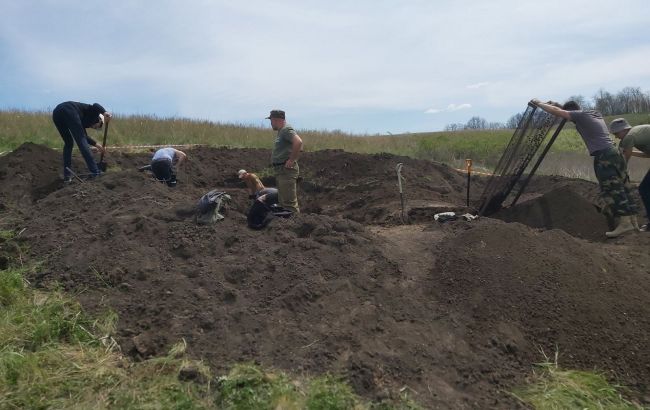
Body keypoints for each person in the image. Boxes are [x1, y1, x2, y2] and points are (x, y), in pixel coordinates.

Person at [531, 99, 638, 238]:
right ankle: (633, 221)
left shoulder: (579, 116)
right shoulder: (593, 114)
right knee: (624, 185)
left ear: (573, 112)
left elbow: (559, 112)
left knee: (612, 188)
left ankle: (625, 223)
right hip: (614, 153)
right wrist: (555, 103)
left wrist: (539, 103)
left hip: (604, 156)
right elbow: (563, 110)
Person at [52, 101, 111, 181]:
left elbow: (85, 136)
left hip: (57, 113)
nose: (95, 128)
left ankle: (67, 176)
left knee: (69, 143)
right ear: (100, 120)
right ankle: (95, 172)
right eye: (99, 126)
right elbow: (95, 105)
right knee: (82, 143)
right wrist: (105, 113)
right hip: (70, 109)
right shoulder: (94, 114)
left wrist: (97, 145)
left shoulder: (82, 122)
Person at [609, 118, 650, 231]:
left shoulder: (629, 137)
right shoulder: (638, 132)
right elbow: (647, 155)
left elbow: (624, 163)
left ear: (624, 130)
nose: (616, 137)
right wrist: (629, 152)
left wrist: (617, 177)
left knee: (644, 189)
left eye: (616, 133)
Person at [267, 109, 303, 213]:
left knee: (289, 204)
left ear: (275, 119)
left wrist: (292, 160)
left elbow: (298, 142)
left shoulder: (286, 130)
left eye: (271, 120)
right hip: (281, 171)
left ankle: (294, 224)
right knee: (283, 202)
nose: (271, 123)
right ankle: (286, 226)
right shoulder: (281, 131)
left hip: (286, 171)